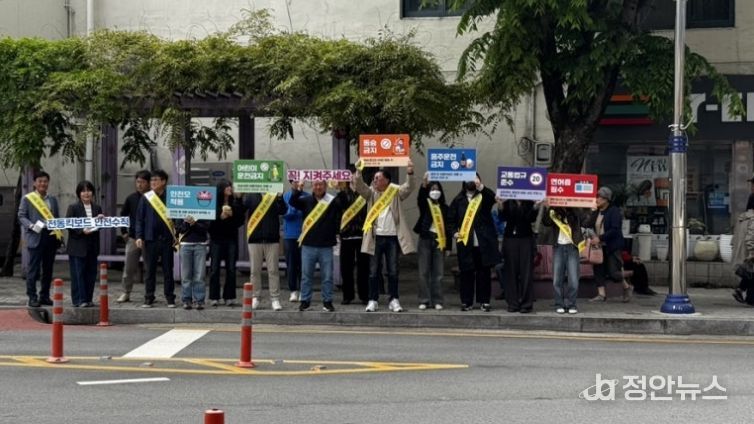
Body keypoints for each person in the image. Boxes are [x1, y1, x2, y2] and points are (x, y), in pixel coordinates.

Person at [353, 160, 416, 313]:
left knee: (393, 270)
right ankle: (373, 300)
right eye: (374, 178)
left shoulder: (395, 191)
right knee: (373, 271)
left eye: (378, 178)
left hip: (392, 237)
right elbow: (359, 186)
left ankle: (394, 299)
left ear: (387, 180)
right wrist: (358, 171)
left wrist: (410, 172)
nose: (375, 180)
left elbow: (409, 187)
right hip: (376, 238)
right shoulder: (371, 193)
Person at [290, 180, 345, 311]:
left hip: (326, 245)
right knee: (306, 276)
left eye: (321, 184)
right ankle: (305, 301)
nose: (318, 187)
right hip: (308, 244)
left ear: (325, 186)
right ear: (312, 187)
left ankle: (327, 302)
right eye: (315, 184)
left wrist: (340, 189)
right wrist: (298, 189)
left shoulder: (332, 201)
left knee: (327, 276)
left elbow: (343, 204)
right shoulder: (306, 200)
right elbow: (293, 202)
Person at [449, 174, 500, 312]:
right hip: (466, 243)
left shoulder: (483, 196)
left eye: (475, 179)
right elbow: (450, 220)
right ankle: (466, 302)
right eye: (469, 179)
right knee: (466, 273)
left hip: (483, 242)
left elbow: (493, 198)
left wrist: (481, 187)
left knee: (484, 273)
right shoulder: (458, 200)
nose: (471, 181)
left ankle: (484, 301)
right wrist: (454, 232)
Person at [19, 171, 62, 308]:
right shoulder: (28, 198)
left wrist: (60, 235)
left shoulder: (53, 199)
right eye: (40, 181)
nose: (43, 184)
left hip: (50, 237)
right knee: (34, 270)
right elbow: (21, 216)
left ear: (48, 183)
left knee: (48, 269)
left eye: (45, 181)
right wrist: (31, 226)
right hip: (35, 236)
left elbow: (56, 218)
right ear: (34, 183)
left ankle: (44, 296)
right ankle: (32, 297)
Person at [135, 169, 177, 308]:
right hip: (150, 239)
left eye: (156, 180)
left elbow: (177, 217)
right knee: (150, 270)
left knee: (168, 270)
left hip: (167, 239)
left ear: (163, 182)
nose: (152, 182)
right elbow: (139, 219)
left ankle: (170, 297)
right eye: (151, 180)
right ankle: (149, 297)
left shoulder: (171, 197)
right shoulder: (146, 198)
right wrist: (139, 236)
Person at [587, 187, 633, 303]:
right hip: (599, 247)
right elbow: (588, 224)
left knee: (613, 272)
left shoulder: (614, 211)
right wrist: (592, 212)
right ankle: (601, 294)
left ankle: (627, 286)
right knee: (598, 269)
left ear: (606, 199)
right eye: (597, 196)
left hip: (612, 245)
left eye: (600, 197)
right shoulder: (596, 211)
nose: (597, 199)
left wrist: (600, 238)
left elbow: (615, 229)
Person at [243, 190, 287, 311]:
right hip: (254, 238)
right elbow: (242, 209)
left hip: (272, 238)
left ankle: (275, 298)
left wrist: (280, 198)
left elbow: (283, 210)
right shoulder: (251, 194)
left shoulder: (273, 194)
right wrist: (239, 197)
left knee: (273, 270)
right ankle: (255, 297)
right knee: (254, 271)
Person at [414, 173, 451, 310]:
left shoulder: (445, 208)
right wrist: (424, 184)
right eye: (432, 189)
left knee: (439, 273)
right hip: (425, 239)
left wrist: (448, 247)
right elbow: (420, 198)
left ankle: (437, 300)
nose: (435, 191)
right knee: (423, 272)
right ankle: (424, 300)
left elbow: (448, 228)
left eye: (437, 189)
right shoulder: (426, 204)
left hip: (440, 241)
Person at [65, 181, 103, 308]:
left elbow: (99, 227)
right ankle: (79, 300)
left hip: (92, 246)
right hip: (77, 246)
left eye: (89, 190)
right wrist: (81, 231)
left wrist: (101, 220)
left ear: (92, 192)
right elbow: (69, 224)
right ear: (79, 194)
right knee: (78, 274)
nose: (86, 193)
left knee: (91, 274)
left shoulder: (97, 208)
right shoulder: (73, 207)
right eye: (83, 191)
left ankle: (88, 299)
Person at [499, 197, 540, 313]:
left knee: (526, 272)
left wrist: (535, 207)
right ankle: (513, 303)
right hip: (510, 239)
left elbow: (531, 219)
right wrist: (500, 206)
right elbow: (503, 218)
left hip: (526, 238)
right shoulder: (507, 201)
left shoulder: (529, 201)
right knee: (510, 272)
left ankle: (526, 304)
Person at [208, 179, 245, 307]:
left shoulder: (234, 202)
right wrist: (220, 217)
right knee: (214, 269)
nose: (230, 188)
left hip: (231, 239)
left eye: (230, 186)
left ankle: (229, 296)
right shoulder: (213, 203)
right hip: (216, 239)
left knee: (231, 269)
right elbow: (209, 224)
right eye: (227, 186)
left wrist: (238, 201)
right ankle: (214, 297)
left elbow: (240, 221)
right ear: (221, 188)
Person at [542, 203, 584, 314]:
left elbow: (585, 221)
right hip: (558, 247)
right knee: (557, 279)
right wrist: (549, 207)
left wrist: (590, 210)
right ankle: (559, 304)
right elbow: (546, 222)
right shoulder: (554, 210)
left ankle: (572, 304)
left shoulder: (575, 211)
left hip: (572, 247)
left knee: (573, 279)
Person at [117, 170, 150, 303]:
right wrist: (124, 232)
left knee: (149, 267)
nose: (139, 185)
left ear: (148, 183)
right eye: (137, 182)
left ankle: (149, 293)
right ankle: (126, 292)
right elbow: (123, 215)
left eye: (142, 182)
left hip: (149, 238)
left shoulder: (154, 198)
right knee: (129, 267)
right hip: (133, 237)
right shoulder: (131, 198)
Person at [336, 176, 369, 305]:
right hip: (346, 236)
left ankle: (364, 295)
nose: (355, 182)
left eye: (358, 180)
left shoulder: (366, 195)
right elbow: (337, 213)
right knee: (346, 268)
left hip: (362, 235)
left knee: (363, 268)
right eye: (353, 180)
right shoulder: (342, 195)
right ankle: (348, 295)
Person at [177, 215, 209, 310]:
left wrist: (195, 224)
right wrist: (187, 223)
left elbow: (206, 227)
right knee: (186, 275)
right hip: (185, 244)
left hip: (201, 244)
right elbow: (178, 229)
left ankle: (199, 300)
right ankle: (186, 300)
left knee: (200, 275)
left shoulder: (204, 209)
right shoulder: (181, 210)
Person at [282, 180, 305, 303]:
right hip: (289, 235)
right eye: (295, 181)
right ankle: (293, 291)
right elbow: (286, 215)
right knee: (291, 265)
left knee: (303, 265)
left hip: (303, 235)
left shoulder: (307, 196)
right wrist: (296, 208)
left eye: (300, 181)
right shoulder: (286, 196)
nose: (298, 183)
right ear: (291, 183)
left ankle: (303, 290)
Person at [731, 193, 754, 305]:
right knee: (751, 274)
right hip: (749, 251)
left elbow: (735, 237)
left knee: (751, 274)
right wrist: (752, 252)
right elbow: (751, 238)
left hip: (741, 251)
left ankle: (743, 292)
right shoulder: (753, 218)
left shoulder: (742, 217)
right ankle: (749, 298)